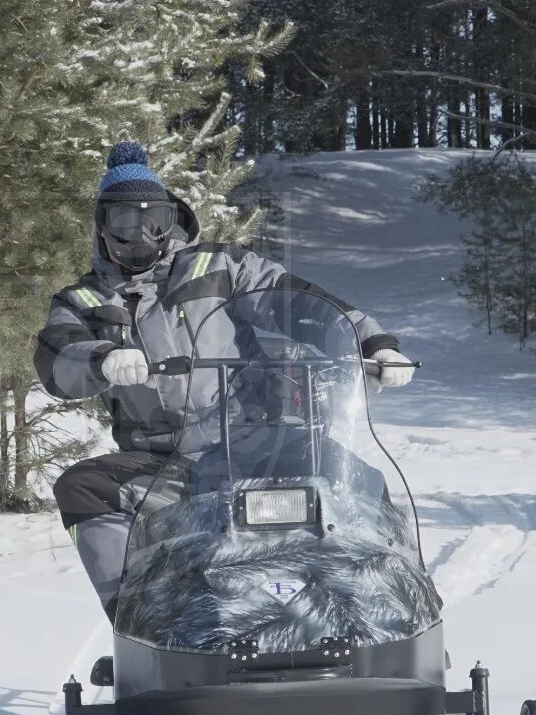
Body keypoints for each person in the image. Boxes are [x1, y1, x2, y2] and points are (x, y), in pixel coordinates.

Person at [32, 141, 414, 619]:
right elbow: (56, 359)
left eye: (155, 221)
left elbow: (301, 304)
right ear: (102, 227)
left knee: (360, 480)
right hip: (166, 463)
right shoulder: (84, 300)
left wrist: (372, 343)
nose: (141, 237)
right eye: (125, 223)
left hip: (256, 443)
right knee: (83, 488)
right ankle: (138, 619)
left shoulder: (223, 269)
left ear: (173, 220)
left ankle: (396, 605)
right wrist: (101, 358)